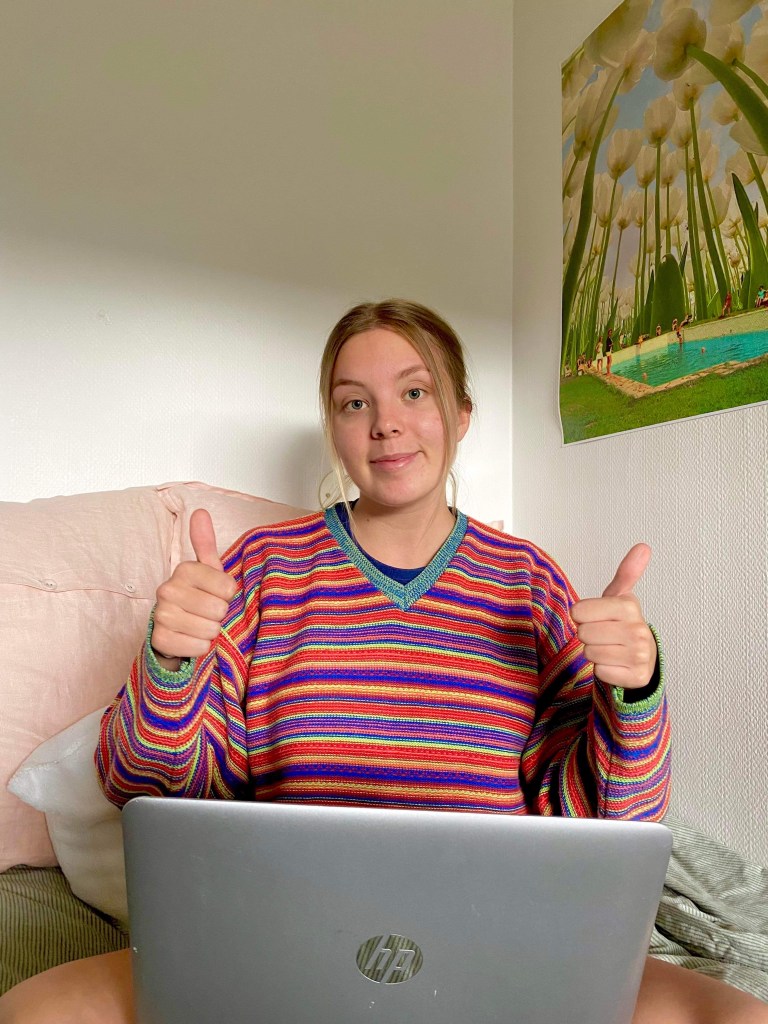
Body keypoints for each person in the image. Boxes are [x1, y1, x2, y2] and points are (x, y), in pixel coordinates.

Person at [2, 300, 767, 1024]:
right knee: (33, 1010)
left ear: (461, 415)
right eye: (354, 402)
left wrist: (634, 694)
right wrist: (170, 664)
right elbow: (147, 789)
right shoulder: (261, 568)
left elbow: (614, 826)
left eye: (414, 392)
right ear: (334, 428)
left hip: (495, 942)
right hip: (279, 936)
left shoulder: (529, 581)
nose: (386, 424)